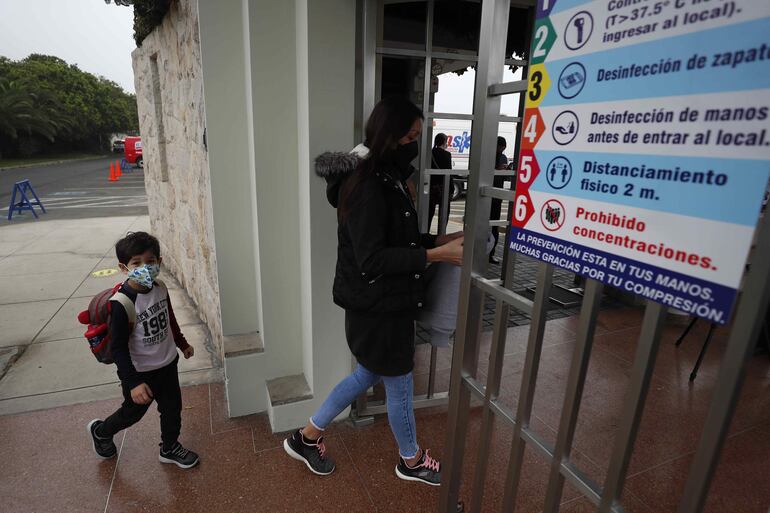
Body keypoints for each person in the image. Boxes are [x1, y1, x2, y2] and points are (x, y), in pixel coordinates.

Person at [285, 97, 464, 486]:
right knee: (399, 383)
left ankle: (307, 436)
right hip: (378, 306)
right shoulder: (367, 185)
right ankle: (411, 460)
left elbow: (396, 238)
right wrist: (435, 254)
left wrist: (440, 239)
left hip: (381, 304)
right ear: (390, 136)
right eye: (412, 136)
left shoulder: (385, 176)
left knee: (367, 374)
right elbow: (373, 260)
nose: (417, 142)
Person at [86, 231, 199, 469]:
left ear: (159, 262)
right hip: (140, 373)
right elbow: (118, 349)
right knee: (132, 413)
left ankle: (169, 447)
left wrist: (182, 343)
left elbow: (169, 319)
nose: (145, 268)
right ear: (124, 267)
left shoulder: (160, 288)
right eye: (136, 263)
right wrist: (134, 382)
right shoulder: (122, 303)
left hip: (167, 364)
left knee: (172, 409)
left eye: (150, 261)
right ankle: (101, 431)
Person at [489, 136, 508, 264]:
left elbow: (505, 177)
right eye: (501, 147)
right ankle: (483, 253)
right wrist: (498, 170)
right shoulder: (488, 155)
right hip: (488, 196)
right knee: (485, 226)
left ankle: (491, 253)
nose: (502, 149)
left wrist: (506, 171)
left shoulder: (503, 157)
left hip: (496, 197)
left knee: (494, 227)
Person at [429, 133, 453, 232]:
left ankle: (425, 232)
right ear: (444, 142)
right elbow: (449, 173)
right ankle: (441, 234)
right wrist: (451, 189)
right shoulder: (447, 155)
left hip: (432, 187)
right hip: (444, 187)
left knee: (429, 212)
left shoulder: (430, 153)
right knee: (444, 213)